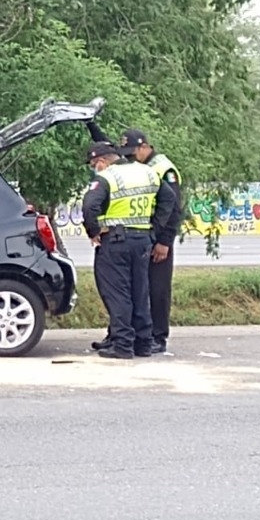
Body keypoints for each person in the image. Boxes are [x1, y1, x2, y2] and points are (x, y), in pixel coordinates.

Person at [86, 123, 181, 354]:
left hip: (142, 241)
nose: (129, 156)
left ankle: (140, 340)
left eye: (131, 152)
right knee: (136, 291)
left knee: (140, 291)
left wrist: (161, 239)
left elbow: (174, 206)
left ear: (145, 148)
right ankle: (138, 341)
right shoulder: (142, 170)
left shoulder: (161, 168)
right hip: (142, 239)